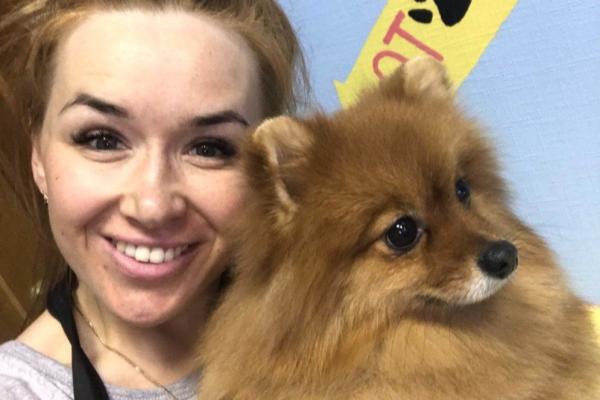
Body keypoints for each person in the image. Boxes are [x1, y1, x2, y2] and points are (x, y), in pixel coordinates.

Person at [0, 1, 307, 399]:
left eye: (209, 149)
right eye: (102, 140)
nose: (152, 206)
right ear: (38, 157)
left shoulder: (340, 319)